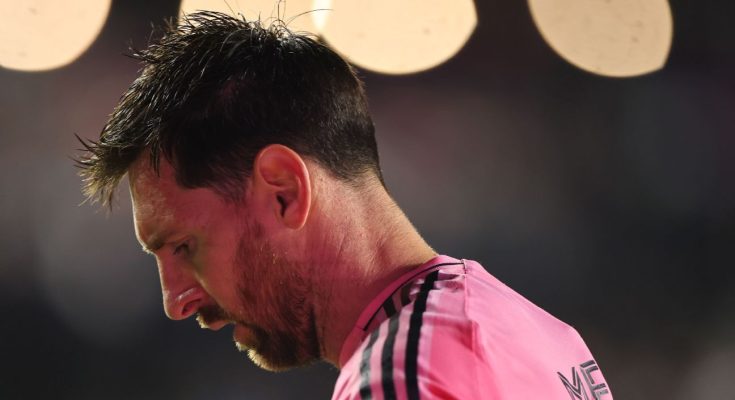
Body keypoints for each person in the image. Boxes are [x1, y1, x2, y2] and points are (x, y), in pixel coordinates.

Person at [77, 11, 613, 400]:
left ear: (284, 191)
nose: (176, 301)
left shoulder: (402, 377)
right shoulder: (542, 335)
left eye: (183, 246)